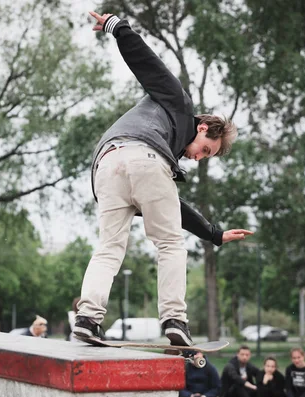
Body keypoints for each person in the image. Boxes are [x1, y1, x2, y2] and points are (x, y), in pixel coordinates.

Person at [73, 11, 253, 346]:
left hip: (106, 165)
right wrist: (119, 28)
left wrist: (213, 233)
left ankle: (87, 317)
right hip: (142, 156)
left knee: (109, 248)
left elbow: (171, 206)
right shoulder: (180, 104)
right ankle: (174, 319)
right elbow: (150, 67)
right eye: (205, 149)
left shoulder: (167, 143)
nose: (198, 157)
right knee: (170, 244)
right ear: (203, 127)